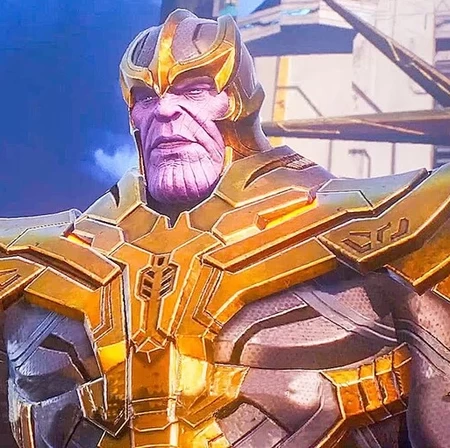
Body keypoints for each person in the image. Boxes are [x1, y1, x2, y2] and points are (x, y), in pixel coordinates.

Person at [1, 9, 450, 448]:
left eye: (194, 90)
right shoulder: (37, 263)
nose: (166, 111)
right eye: (146, 97)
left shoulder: (391, 224)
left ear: (237, 103)